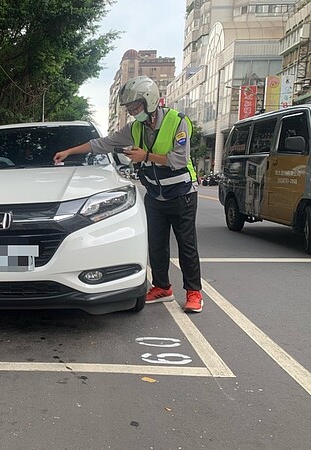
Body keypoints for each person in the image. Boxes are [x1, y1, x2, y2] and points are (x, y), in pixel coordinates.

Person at [53, 75, 203, 313]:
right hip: (155, 194)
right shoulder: (134, 128)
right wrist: (69, 151)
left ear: (150, 100)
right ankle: (162, 287)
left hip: (181, 193)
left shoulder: (178, 122)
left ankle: (194, 292)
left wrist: (146, 157)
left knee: (186, 245)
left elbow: (178, 159)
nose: (133, 112)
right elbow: (102, 143)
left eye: (135, 107)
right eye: (130, 109)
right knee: (156, 245)